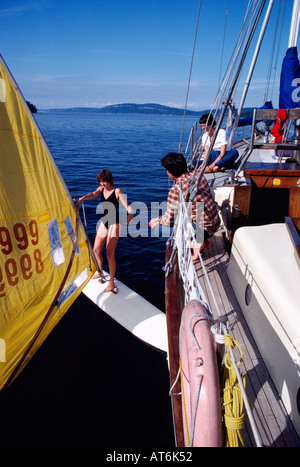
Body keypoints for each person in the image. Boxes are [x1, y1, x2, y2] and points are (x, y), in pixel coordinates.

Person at [149, 153, 220, 260]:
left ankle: (195, 245)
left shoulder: (176, 189)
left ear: (170, 172)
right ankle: (201, 241)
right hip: (215, 223)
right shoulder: (197, 175)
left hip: (203, 229)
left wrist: (156, 220)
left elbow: (168, 221)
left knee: (158, 229)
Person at [79, 169, 133, 293]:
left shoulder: (117, 191)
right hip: (105, 221)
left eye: (104, 182)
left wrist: (130, 213)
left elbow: (127, 205)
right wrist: (84, 198)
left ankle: (112, 282)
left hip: (115, 223)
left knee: (109, 253)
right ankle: (100, 272)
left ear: (109, 181)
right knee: (96, 250)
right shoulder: (101, 189)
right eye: (101, 182)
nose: (103, 184)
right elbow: (93, 194)